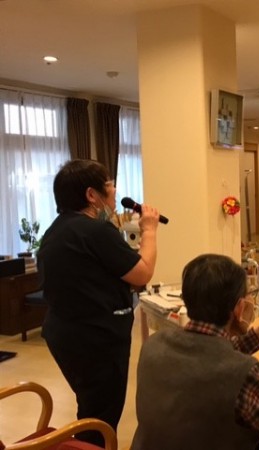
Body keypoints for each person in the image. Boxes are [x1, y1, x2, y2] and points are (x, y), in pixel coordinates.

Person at [131, 254, 259, 450]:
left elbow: (207, 358)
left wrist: (256, 334)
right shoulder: (244, 374)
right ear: (239, 308)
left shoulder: (153, 345)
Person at [37, 159, 160, 446]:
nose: (115, 190)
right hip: (95, 338)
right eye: (109, 184)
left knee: (91, 407)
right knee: (101, 416)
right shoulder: (95, 231)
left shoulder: (57, 231)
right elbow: (142, 273)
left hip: (66, 333)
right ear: (92, 195)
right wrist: (150, 231)